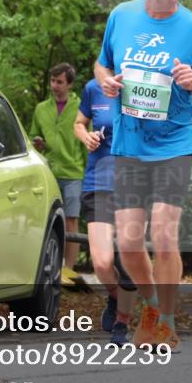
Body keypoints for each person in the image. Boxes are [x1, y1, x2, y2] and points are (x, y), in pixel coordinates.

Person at [94, 0, 192, 351]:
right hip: (129, 144)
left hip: (172, 144)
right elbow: (103, 63)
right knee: (130, 242)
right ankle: (151, 308)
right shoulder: (121, 16)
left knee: (164, 236)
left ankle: (167, 322)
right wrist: (105, 80)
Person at [74, 77, 137, 345]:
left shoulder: (147, 87)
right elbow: (79, 123)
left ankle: (122, 322)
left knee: (126, 259)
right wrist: (86, 136)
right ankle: (114, 296)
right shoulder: (93, 88)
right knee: (101, 261)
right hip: (98, 182)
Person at [30, 63, 87, 280]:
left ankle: (68, 271)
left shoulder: (81, 109)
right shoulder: (41, 109)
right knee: (46, 220)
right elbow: (33, 136)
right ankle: (46, 266)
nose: (54, 85)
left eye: (59, 82)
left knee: (72, 221)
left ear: (70, 84)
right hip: (48, 172)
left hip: (73, 173)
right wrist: (37, 142)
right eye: (52, 81)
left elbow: (87, 142)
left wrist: (89, 174)